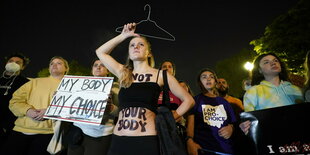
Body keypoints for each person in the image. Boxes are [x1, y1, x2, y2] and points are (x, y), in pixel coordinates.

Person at [95, 23, 194, 155]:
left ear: (148, 53)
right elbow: (100, 52)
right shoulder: (123, 73)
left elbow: (189, 100)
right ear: (129, 54)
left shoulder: (161, 75)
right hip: (119, 141)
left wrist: (169, 119)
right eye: (132, 45)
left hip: (146, 140)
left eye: (141, 44)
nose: (136, 46)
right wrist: (123, 36)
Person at [2, 56, 69, 155]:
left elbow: (74, 108)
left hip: (48, 133)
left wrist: (50, 112)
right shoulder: (34, 82)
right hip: (20, 130)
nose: (54, 65)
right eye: (51, 63)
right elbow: (15, 101)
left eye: (59, 63)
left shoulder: (71, 86)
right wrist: (28, 110)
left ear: (66, 68)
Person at [239, 53, 303, 135]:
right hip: (271, 138)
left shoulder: (295, 89)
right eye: (266, 62)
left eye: (275, 60)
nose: (273, 63)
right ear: (259, 70)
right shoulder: (253, 92)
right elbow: (250, 122)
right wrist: (245, 126)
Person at [67, 59, 119, 155]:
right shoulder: (80, 86)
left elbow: (121, 112)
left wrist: (111, 108)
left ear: (108, 70)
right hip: (77, 131)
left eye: (102, 65)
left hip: (100, 135)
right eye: (95, 65)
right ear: (92, 70)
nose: (98, 67)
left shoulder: (116, 87)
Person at [187, 68, 236, 155]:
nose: (208, 79)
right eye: (204, 77)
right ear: (199, 82)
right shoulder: (195, 101)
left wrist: (231, 128)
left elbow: (232, 122)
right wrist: (189, 141)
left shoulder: (224, 102)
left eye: (211, 77)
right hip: (205, 149)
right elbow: (190, 126)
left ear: (215, 82)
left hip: (226, 149)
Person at [0, 53, 30, 146]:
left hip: (10, 126)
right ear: (6, 63)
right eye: (11, 61)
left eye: (18, 62)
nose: (13, 63)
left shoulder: (26, 83)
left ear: (23, 67)